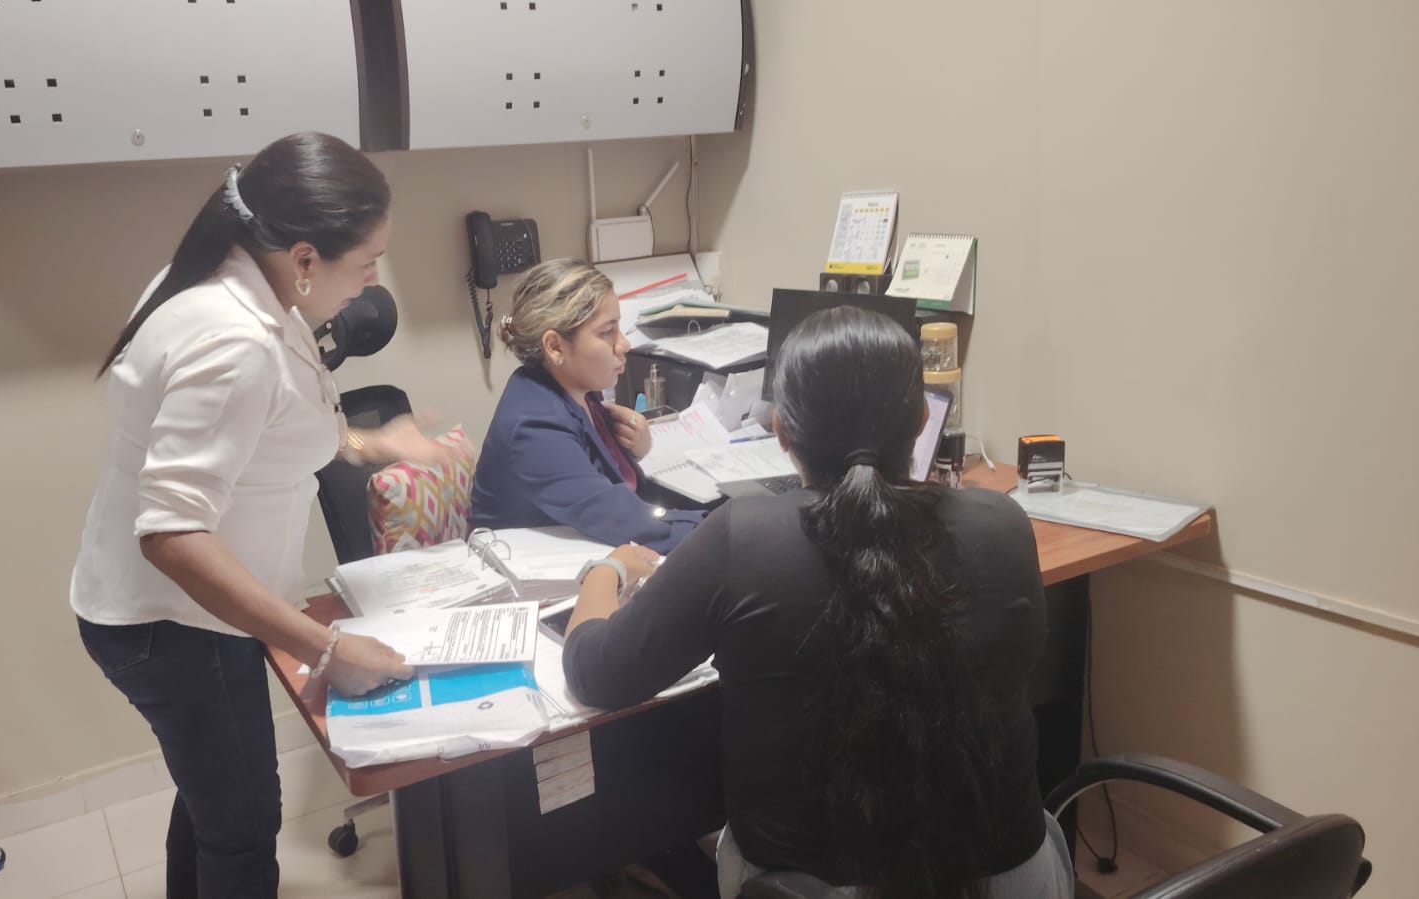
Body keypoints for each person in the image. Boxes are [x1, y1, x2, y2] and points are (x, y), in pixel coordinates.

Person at [560, 306, 1072, 899]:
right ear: (919, 423)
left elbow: (596, 673)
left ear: (781, 430)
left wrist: (606, 571)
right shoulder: (1003, 523)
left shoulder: (741, 537)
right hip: (1008, 880)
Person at [71, 132, 463, 899]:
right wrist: (326, 648)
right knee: (244, 829)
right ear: (305, 256)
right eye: (368, 262)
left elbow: (270, 425)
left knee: (213, 800)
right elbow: (171, 535)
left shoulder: (233, 283)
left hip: (181, 615)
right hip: (175, 626)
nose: (374, 280)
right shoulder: (233, 340)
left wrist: (371, 441)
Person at [470, 258, 703, 551]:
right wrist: (723, 531)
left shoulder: (580, 391)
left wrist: (635, 450)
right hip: (536, 571)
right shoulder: (533, 427)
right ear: (555, 346)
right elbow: (621, 518)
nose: (624, 345)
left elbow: (611, 484)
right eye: (607, 332)